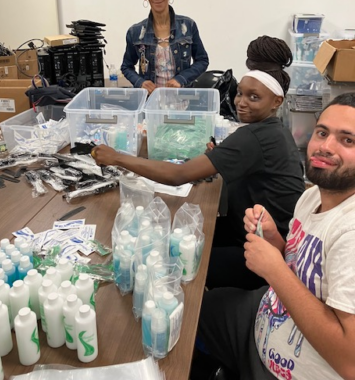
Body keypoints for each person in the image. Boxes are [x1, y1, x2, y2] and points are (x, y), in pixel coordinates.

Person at [93, 35, 305, 290]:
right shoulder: (273, 130)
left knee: (177, 259)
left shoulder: (254, 137)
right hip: (255, 231)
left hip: (267, 255)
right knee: (190, 231)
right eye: (239, 94)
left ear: (276, 102)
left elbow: (178, 175)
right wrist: (222, 155)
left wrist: (117, 157)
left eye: (254, 98)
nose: (240, 103)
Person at [192, 92, 355, 380]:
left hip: (288, 369)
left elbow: (349, 362)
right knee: (188, 311)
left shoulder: (349, 231)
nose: (325, 147)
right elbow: (300, 265)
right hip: (265, 317)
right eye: (322, 132)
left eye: (347, 140)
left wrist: (275, 269)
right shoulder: (313, 196)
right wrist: (274, 241)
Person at [120, 0, 209, 94]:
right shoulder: (135, 33)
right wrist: (140, 83)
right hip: (149, 104)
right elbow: (126, 67)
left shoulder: (188, 26)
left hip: (183, 103)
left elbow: (202, 60)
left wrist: (181, 79)